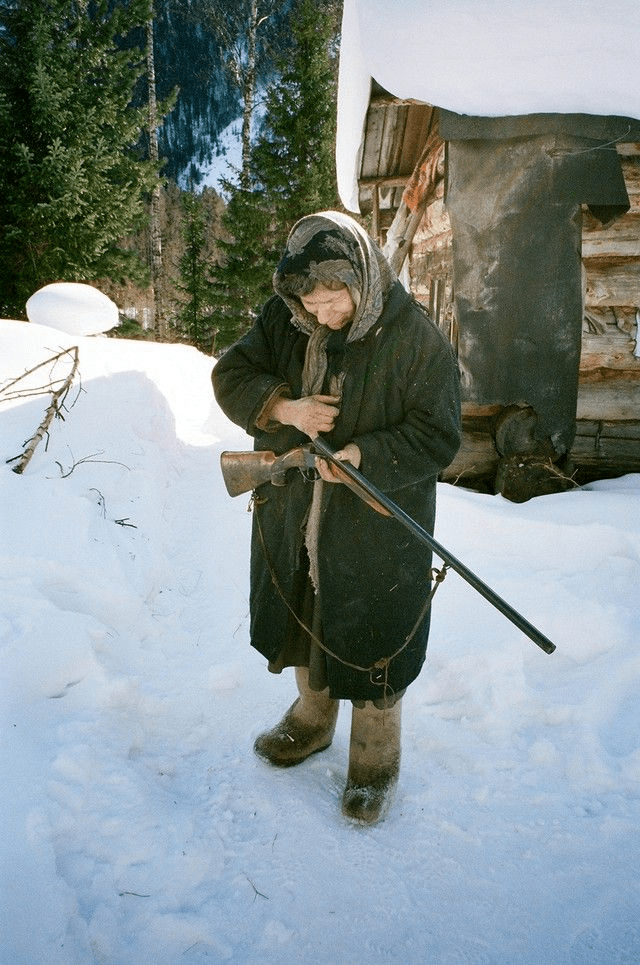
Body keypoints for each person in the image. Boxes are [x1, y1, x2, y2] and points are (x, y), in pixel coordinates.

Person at [212, 211, 461, 824]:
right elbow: (231, 374)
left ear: (364, 276)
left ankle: (375, 757)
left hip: (376, 518)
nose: (322, 314)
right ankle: (312, 719)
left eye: (334, 297)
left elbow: (439, 434)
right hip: (292, 504)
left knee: (375, 625)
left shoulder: (413, 335)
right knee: (300, 606)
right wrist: (286, 407)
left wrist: (362, 455)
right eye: (310, 300)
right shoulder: (283, 319)